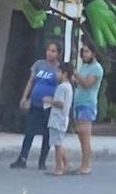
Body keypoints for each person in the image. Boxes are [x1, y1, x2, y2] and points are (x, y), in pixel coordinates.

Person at [10, 42, 60, 170]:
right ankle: (22, 158)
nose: (50, 53)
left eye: (53, 51)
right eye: (49, 50)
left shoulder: (59, 70)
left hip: (48, 107)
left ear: (58, 53)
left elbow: (61, 88)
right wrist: (24, 97)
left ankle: (42, 161)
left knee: (46, 134)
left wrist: (54, 100)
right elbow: (31, 81)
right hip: (35, 104)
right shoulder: (39, 64)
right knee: (29, 131)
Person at [73, 43, 103, 175]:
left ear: (93, 54)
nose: (84, 54)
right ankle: (82, 164)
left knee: (85, 135)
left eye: (87, 52)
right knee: (80, 134)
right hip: (78, 102)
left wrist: (74, 73)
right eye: (83, 52)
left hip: (88, 104)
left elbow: (86, 83)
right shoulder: (84, 66)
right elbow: (79, 82)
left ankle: (86, 165)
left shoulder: (97, 68)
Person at [46, 62, 75, 176]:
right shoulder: (68, 87)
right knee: (58, 142)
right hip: (62, 118)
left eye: (58, 72)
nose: (56, 74)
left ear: (65, 73)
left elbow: (60, 103)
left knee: (57, 144)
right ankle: (66, 163)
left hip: (58, 118)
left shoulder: (62, 87)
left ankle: (59, 167)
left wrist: (50, 100)